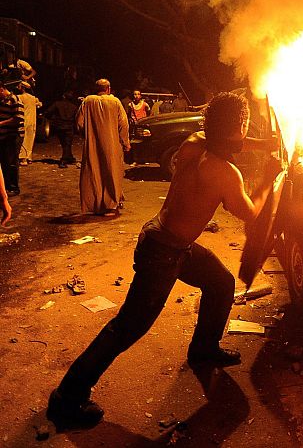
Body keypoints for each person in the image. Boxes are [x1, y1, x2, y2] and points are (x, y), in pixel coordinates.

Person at [47, 92, 273, 426]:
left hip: (164, 240)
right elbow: (251, 214)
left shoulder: (194, 142)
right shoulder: (225, 172)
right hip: (164, 253)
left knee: (220, 282)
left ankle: (203, 349)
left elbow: (234, 142)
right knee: (128, 327)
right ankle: (68, 397)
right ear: (238, 126)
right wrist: (271, 178)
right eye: (243, 126)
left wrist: (265, 144)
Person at [76, 79, 130, 215]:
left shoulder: (87, 102)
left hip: (92, 145)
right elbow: (123, 124)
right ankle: (111, 205)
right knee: (112, 172)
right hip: (112, 145)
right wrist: (125, 142)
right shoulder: (115, 102)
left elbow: (79, 123)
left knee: (94, 172)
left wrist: (88, 135)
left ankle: (95, 204)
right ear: (108, 89)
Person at [0, 84, 24, 197]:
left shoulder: (15, 99)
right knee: (4, 162)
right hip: (4, 136)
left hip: (14, 135)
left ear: (2, 89)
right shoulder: (2, 100)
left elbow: (18, 118)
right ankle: (6, 186)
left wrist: (1, 124)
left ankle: (14, 187)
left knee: (11, 162)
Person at [46, 91, 79, 167]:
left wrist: (52, 119)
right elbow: (76, 117)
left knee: (65, 143)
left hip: (59, 126)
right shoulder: (74, 107)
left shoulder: (57, 104)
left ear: (64, 96)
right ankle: (63, 160)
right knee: (67, 143)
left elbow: (48, 112)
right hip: (69, 126)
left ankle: (69, 157)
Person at [17, 81, 42, 165]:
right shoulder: (33, 98)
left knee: (23, 140)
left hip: (24, 121)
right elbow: (39, 105)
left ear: (23, 88)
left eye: (19, 86)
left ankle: (23, 159)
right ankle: (29, 157)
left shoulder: (20, 97)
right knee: (30, 139)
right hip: (32, 121)